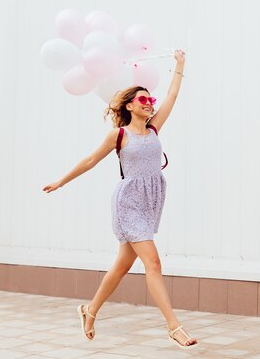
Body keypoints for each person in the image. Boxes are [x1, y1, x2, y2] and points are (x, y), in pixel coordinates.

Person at [43, 49, 198, 349]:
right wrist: (61, 182)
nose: (150, 103)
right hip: (128, 203)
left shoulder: (154, 129)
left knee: (122, 266)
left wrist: (180, 65)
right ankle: (174, 327)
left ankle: (89, 310)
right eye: (143, 99)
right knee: (152, 262)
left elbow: (173, 96)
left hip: (151, 201)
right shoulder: (119, 135)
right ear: (129, 105)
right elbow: (90, 161)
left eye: (151, 99)